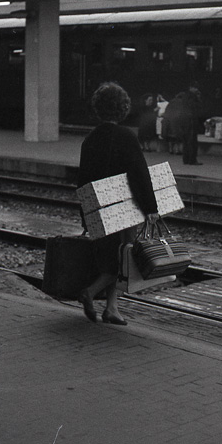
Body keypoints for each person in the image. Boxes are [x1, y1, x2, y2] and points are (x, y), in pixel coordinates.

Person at [77, 82, 159, 325]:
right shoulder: (126, 137)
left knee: (113, 258)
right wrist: (150, 207)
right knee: (123, 259)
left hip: (98, 210)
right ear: (123, 108)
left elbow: (82, 181)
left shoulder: (90, 140)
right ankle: (90, 292)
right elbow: (139, 175)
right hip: (123, 209)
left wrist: (86, 214)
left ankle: (112, 308)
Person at [180, 81, 203, 165]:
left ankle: (186, 159)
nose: (196, 89)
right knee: (192, 140)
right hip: (191, 120)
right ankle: (192, 159)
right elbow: (196, 107)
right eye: (195, 88)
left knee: (186, 141)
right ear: (191, 88)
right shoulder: (193, 97)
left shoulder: (184, 96)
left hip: (185, 120)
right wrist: (198, 98)